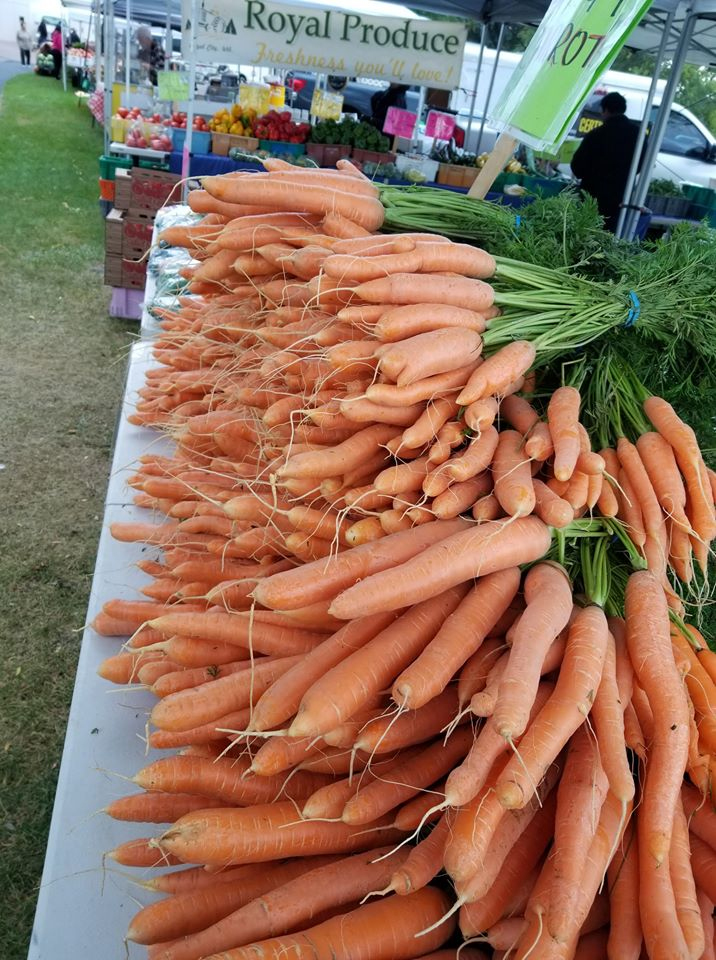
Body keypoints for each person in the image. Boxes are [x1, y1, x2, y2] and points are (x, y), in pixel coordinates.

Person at [570, 92, 640, 232]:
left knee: (586, 234)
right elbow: (641, 164)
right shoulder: (638, 135)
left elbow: (577, 167)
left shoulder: (596, 134)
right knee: (610, 235)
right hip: (621, 198)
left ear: (606, 110)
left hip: (592, 197)